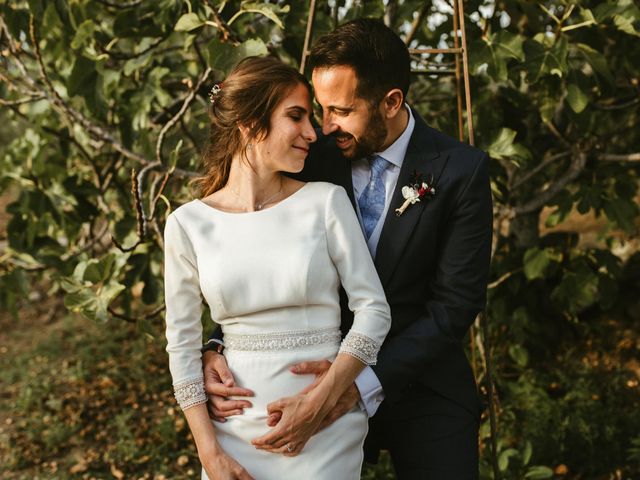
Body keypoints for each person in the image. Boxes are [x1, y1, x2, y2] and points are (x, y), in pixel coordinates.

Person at [202, 18, 493, 479]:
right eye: (318, 108)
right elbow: (248, 250)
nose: (323, 126)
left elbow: (455, 304)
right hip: (307, 375)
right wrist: (218, 343)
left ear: (392, 101)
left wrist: (356, 385)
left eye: (340, 109)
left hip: (423, 383)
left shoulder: (461, 171)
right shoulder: (307, 157)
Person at [163, 55, 391, 480]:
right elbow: (182, 347)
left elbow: (374, 311)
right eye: (296, 117)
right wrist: (210, 454)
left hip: (326, 431)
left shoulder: (325, 202)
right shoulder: (187, 224)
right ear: (251, 123)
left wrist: (323, 398)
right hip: (231, 434)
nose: (313, 132)